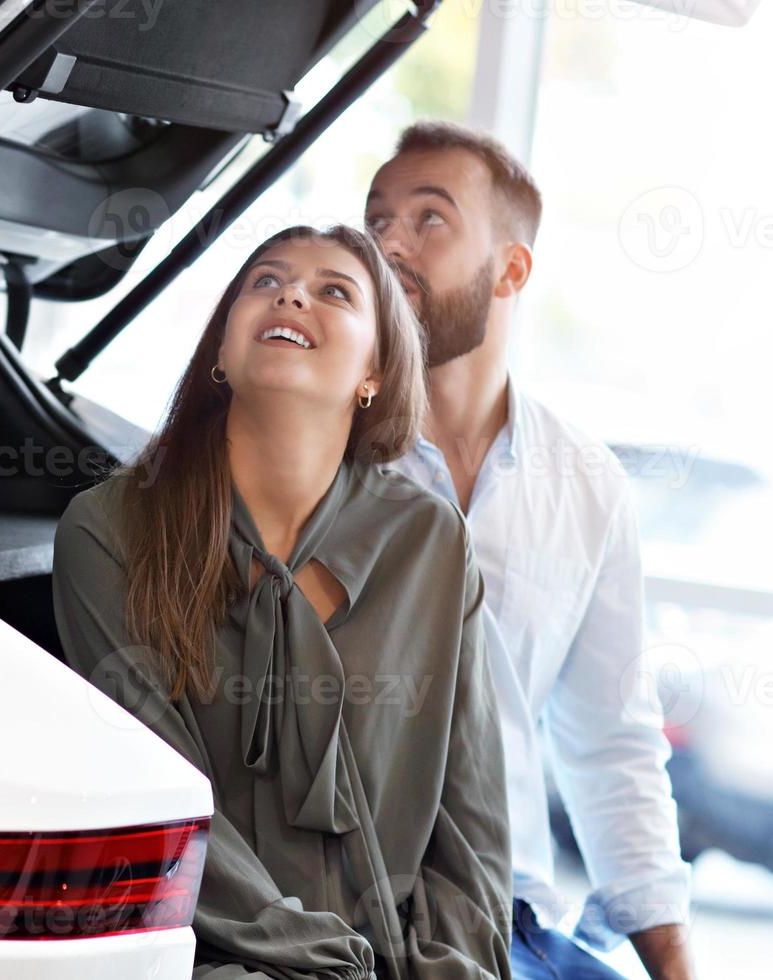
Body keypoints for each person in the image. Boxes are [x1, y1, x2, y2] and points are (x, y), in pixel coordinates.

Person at [52, 224, 513, 980]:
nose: (291, 294)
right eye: (265, 281)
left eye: (336, 291)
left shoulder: (430, 541)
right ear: (224, 354)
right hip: (204, 958)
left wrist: (457, 966)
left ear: (375, 371)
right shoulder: (108, 532)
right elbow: (170, 811)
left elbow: (472, 824)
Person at [364, 121, 695, 980]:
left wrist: (677, 966)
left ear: (511, 269)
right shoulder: (319, 447)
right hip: (350, 906)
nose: (389, 243)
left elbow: (611, 745)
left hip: (514, 920)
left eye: (429, 219)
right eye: (377, 221)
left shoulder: (587, 483)